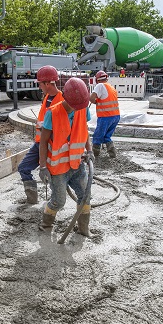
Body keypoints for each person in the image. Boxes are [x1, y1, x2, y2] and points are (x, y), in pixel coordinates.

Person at [38, 77, 94, 237]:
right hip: (58, 168)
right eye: (75, 106)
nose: (78, 109)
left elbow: (84, 130)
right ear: (66, 98)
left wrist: (89, 150)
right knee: (59, 200)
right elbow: (43, 142)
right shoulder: (52, 113)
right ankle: (46, 224)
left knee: (85, 196)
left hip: (77, 163)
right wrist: (43, 167)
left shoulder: (83, 107)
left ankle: (83, 229)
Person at [18, 65, 64, 204]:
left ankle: (55, 202)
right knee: (23, 168)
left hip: (53, 146)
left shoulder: (61, 101)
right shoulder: (47, 97)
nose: (39, 87)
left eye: (40, 84)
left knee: (54, 176)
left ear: (48, 83)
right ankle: (32, 199)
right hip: (40, 143)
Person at [89, 70, 120, 158]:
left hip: (106, 116)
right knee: (107, 136)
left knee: (97, 136)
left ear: (97, 80)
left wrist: (94, 100)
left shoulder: (100, 85)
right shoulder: (111, 87)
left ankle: (95, 155)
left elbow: (91, 98)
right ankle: (112, 153)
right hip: (116, 116)